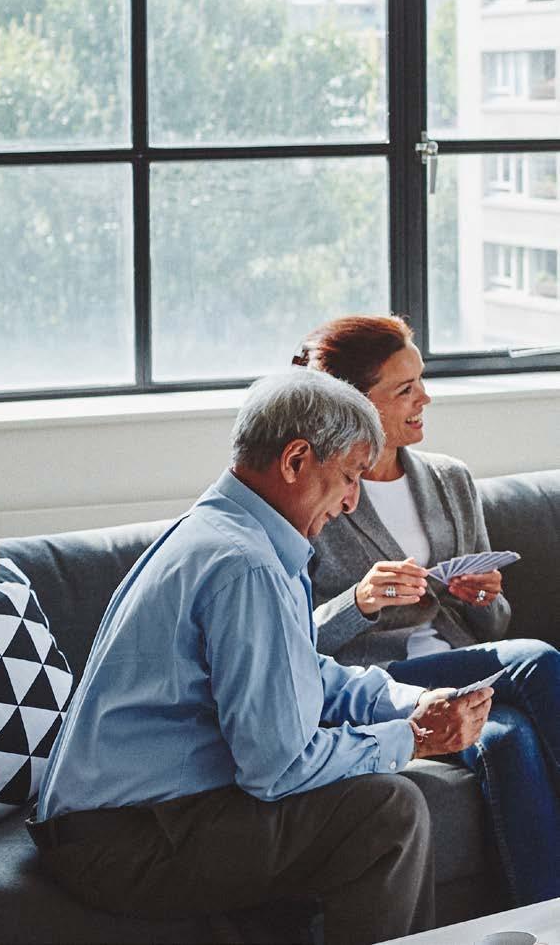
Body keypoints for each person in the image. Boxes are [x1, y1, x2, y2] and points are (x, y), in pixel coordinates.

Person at [26, 369, 493, 945]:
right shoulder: (245, 565)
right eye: (349, 477)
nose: (351, 503)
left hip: (124, 824)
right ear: (296, 459)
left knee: (360, 802)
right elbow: (279, 768)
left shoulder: (230, 534)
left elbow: (304, 672)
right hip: (125, 842)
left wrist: (410, 700)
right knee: (385, 811)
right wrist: (414, 740)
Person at [294, 315, 560, 906]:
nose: (425, 398)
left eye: (423, 381)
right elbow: (290, 645)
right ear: (356, 403)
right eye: (405, 389)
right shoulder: (313, 491)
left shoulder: (450, 479)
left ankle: (545, 920)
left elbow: (494, 628)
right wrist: (359, 603)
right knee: (536, 661)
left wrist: (484, 597)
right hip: (373, 686)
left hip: (459, 669)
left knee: (508, 738)